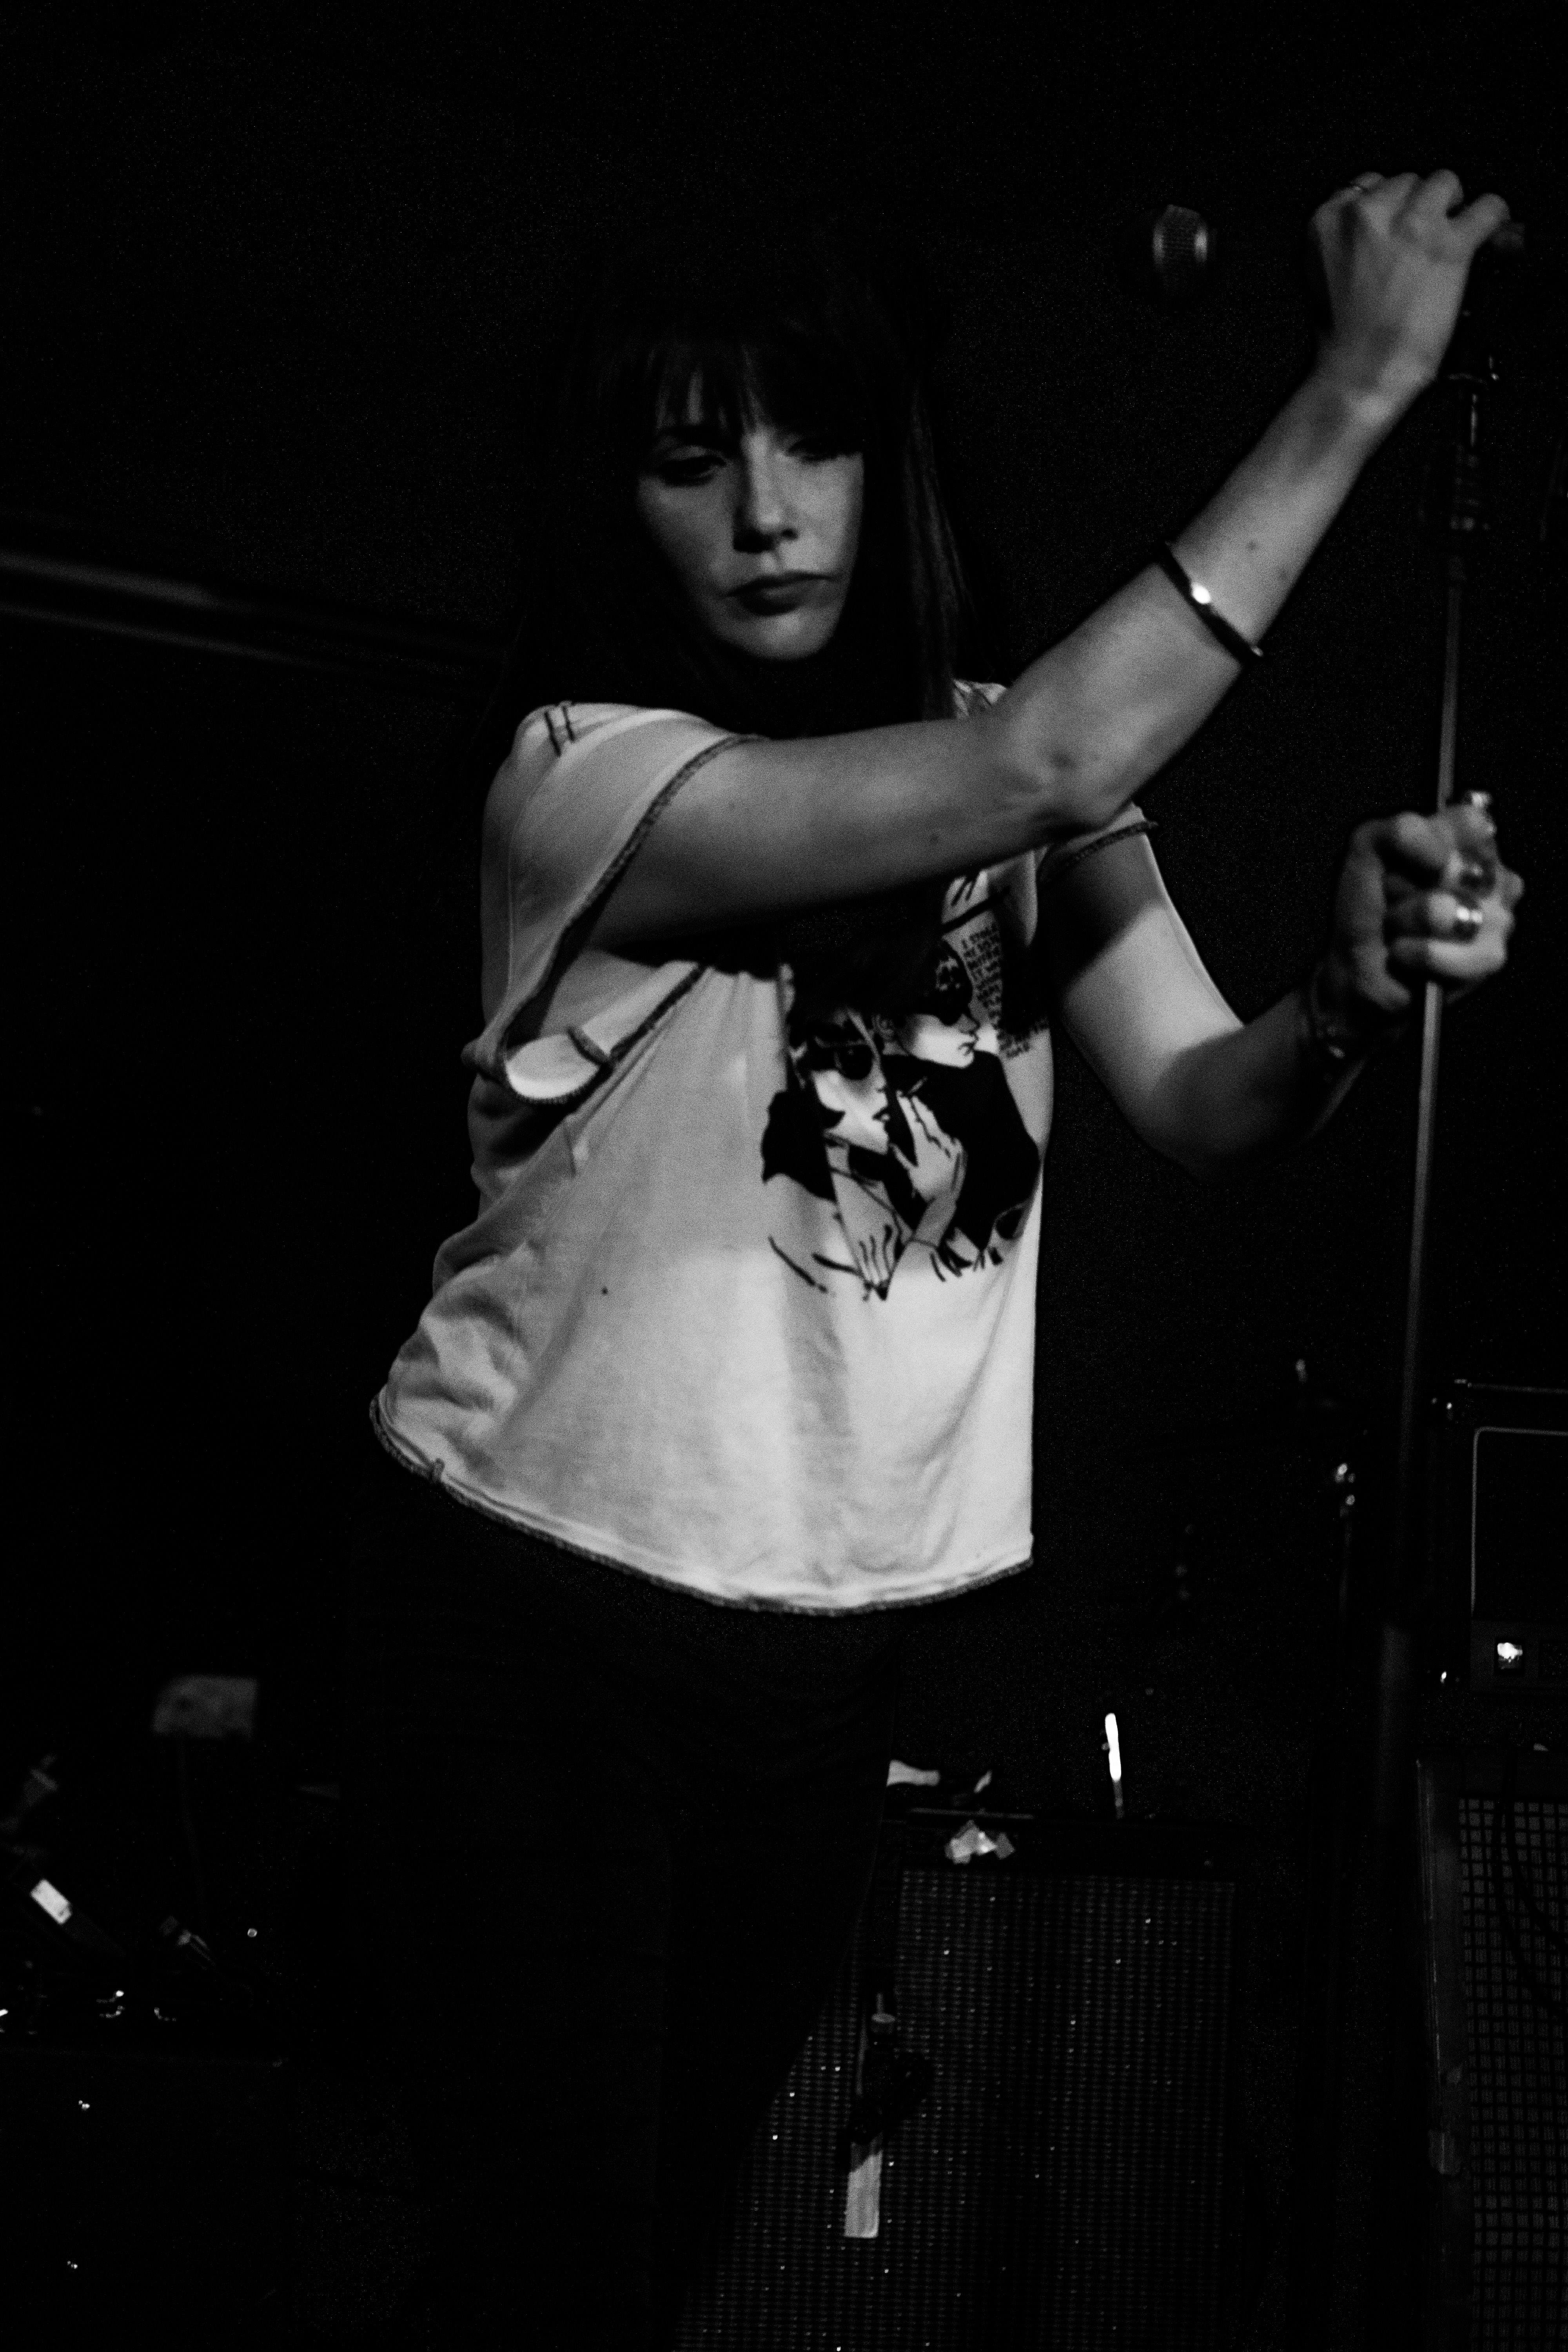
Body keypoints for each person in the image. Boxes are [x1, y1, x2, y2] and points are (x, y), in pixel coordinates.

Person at [344, 171, 1520, 2348]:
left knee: (668, 2262)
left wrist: (1350, 999)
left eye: (815, 444)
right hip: (544, 1618)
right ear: (623, 503)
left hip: (822, 1653)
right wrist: (1357, 390)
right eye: (692, 463)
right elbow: (1046, 757)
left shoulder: (1017, 767)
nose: (766, 515)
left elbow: (1206, 1100)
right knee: (536, 2283)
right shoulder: (587, 778)